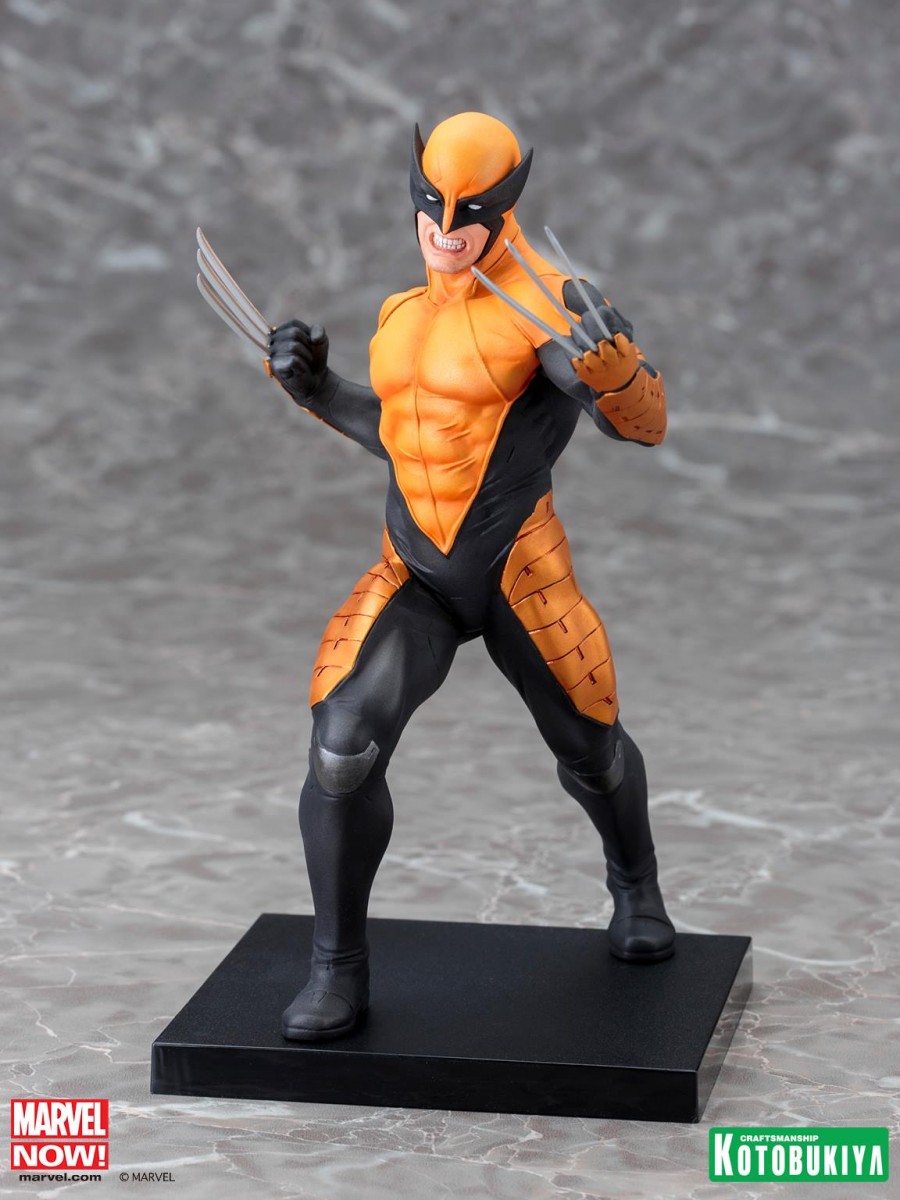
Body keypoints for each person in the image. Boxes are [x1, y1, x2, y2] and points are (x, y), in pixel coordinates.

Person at [266, 112, 674, 1041]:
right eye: (431, 205)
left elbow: (644, 426)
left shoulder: (548, 305)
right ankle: (337, 968)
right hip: (415, 569)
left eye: (469, 211)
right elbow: (407, 436)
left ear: (507, 205)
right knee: (342, 746)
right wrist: (319, 389)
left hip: (518, 566)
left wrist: (622, 377)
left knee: (590, 745)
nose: (445, 228)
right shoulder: (402, 313)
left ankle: (637, 887)